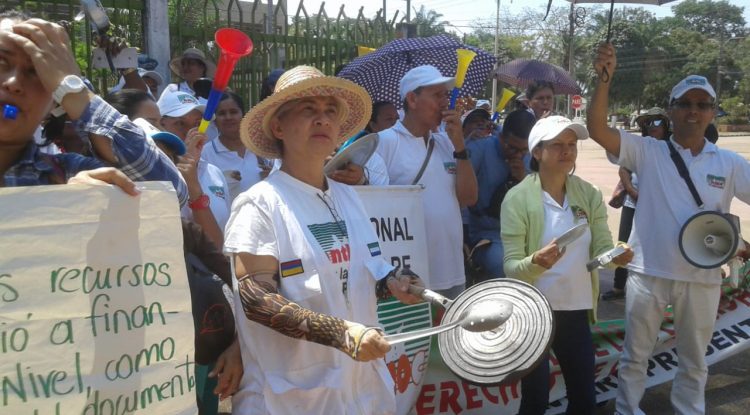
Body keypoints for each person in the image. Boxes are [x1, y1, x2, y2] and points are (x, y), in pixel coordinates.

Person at [223, 65, 425, 414]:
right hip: (290, 397)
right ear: (278, 127)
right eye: (308, 110)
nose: (323, 120)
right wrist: (341, 333)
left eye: (330, 111)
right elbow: (254, 298)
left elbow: (365, 275)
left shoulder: (349, 198)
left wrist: (394, 282)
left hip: (362, 391)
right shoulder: (260, 203)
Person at [588, 43, 750, 415]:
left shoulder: (729, 162)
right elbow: (598, 129)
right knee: (635, 356)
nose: (694, 112)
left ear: (711, 113)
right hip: (649, 272)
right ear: (671, 111)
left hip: (702, 275)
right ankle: (628, 409)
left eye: (702, 105)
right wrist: (604, 79)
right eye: (686, 104)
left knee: (695, 360)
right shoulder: (647, 151)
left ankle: (688, 410)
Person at [501, 116, 633, 414]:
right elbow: (511, 267)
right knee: (535, 400)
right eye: (557, 145)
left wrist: (616, 255)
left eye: (572, 145)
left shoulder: (587, 194)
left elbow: (600, 249)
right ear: (537, 152)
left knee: (585, 399)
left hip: (576, 310)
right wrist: (535, 263)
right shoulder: (517, 199)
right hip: (534, 315)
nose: (567, 151)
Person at [0, 11, 187, 206]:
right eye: (1, 61)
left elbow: (171, 196)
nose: (14, 83)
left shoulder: (68, 178)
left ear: (55, 103)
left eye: (36, 71)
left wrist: (74, 90)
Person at [376, 65, 478, 298]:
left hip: (451, 268)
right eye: (437, 95)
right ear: (412, 99)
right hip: (408, 276)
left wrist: (460, 147)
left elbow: (469, 198)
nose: (445, 103)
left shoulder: (447, 143)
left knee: (448, 333)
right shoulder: (385, 143)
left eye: (446, 95)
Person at [603, 107, 670, 301]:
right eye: (648, 123)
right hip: (633, 203)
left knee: (656, 244)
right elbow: (623, 170)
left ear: (666, 125)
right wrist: (632, 191)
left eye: (657, 122)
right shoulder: (639, 146)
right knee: (624, 243)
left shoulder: (672, 150)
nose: (652, 127)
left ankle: (657, 288)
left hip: (658, 207)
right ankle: (618, 287)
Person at [466, 109, 535, 280]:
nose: (518, 154)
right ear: (501, 137)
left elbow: (540, 198)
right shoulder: (478, 149)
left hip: (523, 231)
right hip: (487, 234)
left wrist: (523, 179)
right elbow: (460, 198)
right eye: (512, 147)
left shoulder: (532, 157)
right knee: (504, 265)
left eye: (523, 150)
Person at [200, 92, 265, 202]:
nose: (228, 117)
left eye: (233, 112)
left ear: (243, 115)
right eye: (222, 113)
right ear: (214, 120)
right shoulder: (205, 154)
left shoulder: (260, 147)